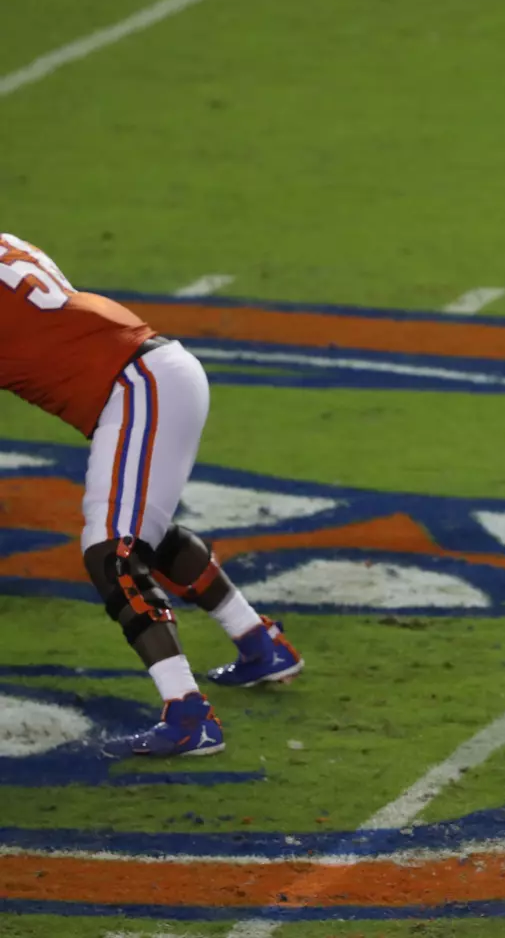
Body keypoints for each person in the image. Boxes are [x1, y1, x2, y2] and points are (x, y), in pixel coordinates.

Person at [0, 233, 303, 757]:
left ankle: (188, 716)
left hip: (137, 387)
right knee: (144, 532)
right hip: (155, 372)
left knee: (112, 553)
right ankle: (260, 643)